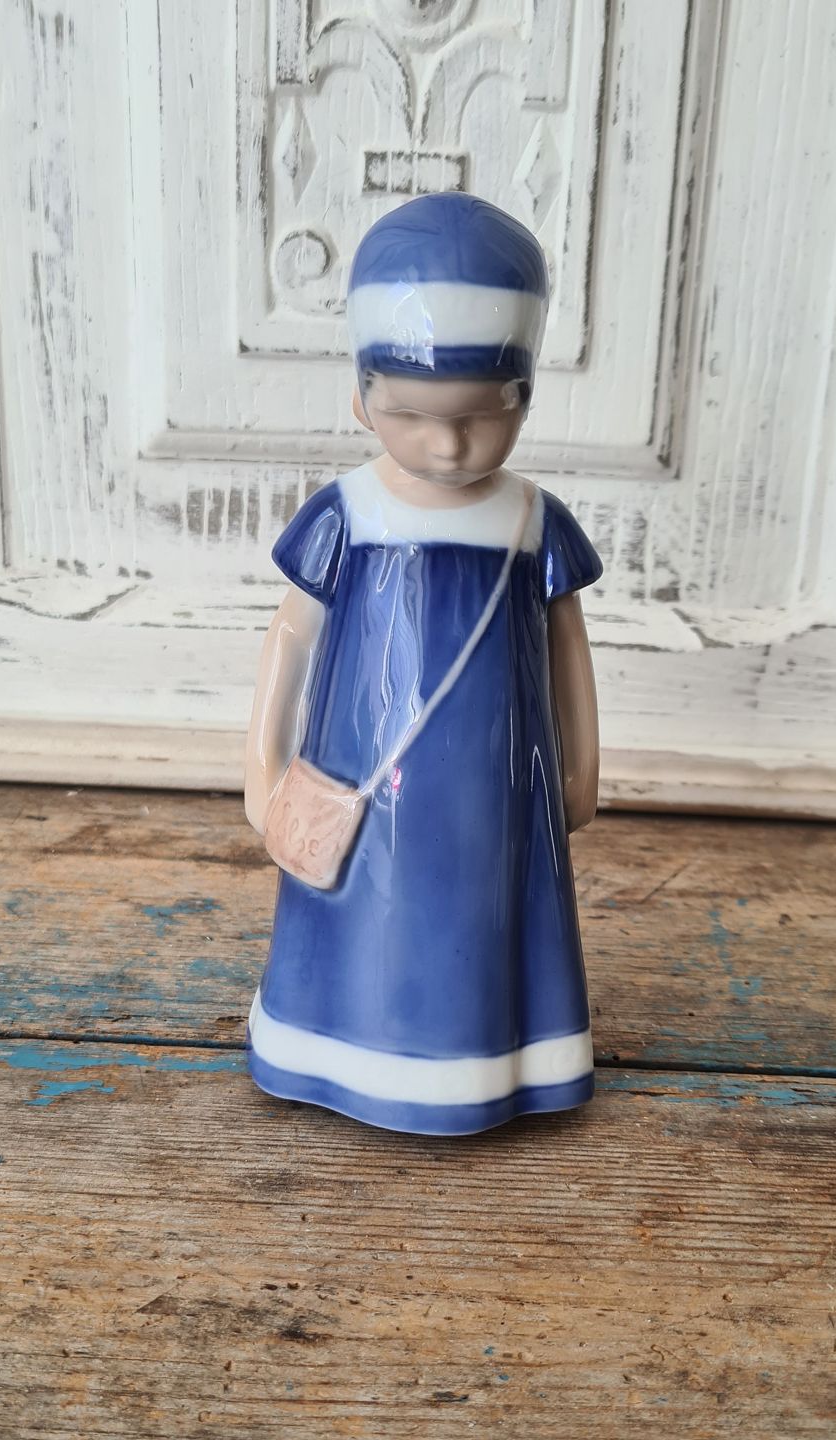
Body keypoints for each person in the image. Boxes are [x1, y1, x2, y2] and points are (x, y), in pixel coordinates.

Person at [243, 193, 603, 1135]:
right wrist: (261, 767)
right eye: (408, 414)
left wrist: (581, 770)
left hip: (497, 786)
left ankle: (495, 1061)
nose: (446, 444)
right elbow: (291, 635)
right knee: (363, 903)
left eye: (482, 415)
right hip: (364, 776)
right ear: (359, 396)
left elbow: (567, 645)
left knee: (484, 914)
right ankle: (331, 1045)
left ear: (525, 393)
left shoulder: (531, 520)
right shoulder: (348, 513)